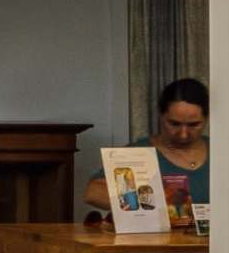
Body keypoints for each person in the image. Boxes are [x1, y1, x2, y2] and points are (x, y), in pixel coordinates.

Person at [86, 77, 209, 220]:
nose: (183, 134)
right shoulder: (139, 152)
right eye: (174, 124)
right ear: (161, 116)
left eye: (193, 125)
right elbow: (93, 192)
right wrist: (152, 204)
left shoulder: (223, 151)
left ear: (206, 118)